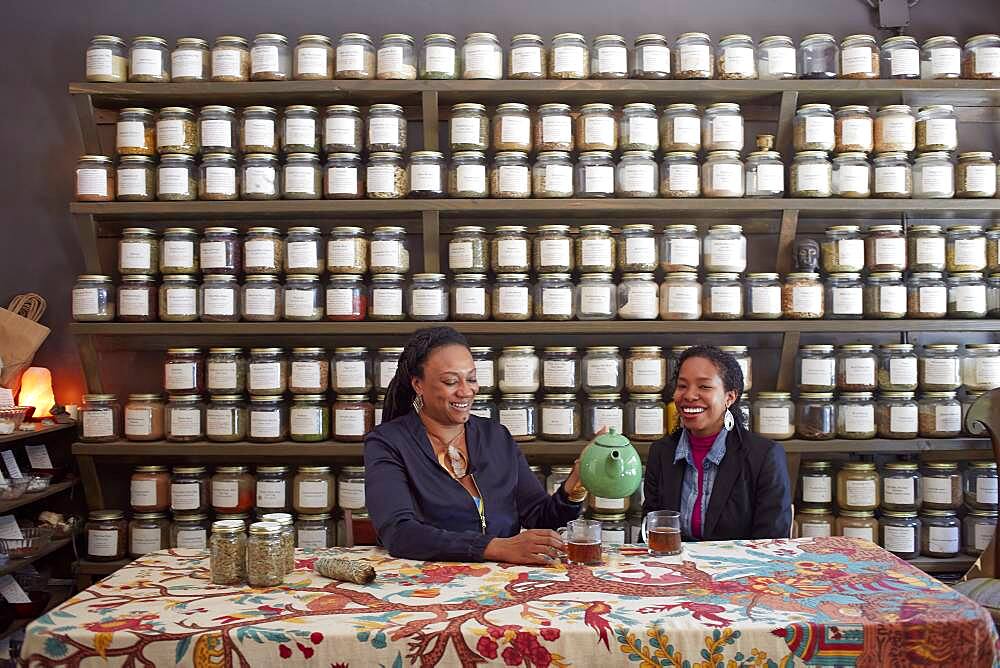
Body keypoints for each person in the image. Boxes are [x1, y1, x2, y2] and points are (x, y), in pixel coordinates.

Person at [365, 326, 586, 564]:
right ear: (418, 384)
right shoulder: (388, 442)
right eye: (451, 381)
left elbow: (541, 518)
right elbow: (400, 533)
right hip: (426, 584)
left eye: (471, 379)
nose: (466, 391)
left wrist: (576, 484)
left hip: (502, 582)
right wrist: (494, 547)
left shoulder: (496, 436)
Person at [642, 345, 792, 540]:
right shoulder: (661, 453)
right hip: (673, 566)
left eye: (704, 386)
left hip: (741, 568)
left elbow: (772, 542)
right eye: (682, 386)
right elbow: (650, 532)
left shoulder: (764, 456)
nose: (689, 395)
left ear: (729, 397)